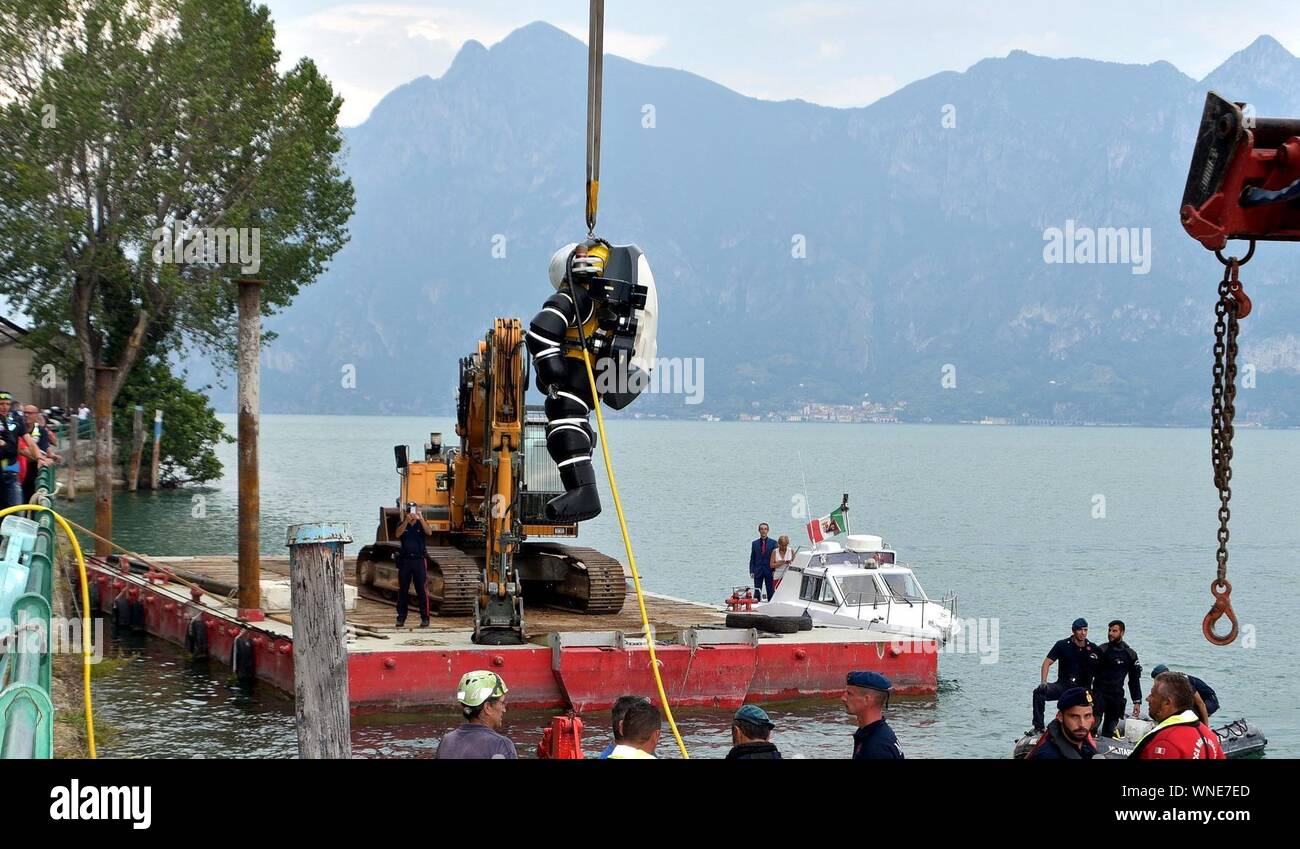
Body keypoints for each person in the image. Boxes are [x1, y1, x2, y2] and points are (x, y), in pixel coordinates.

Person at [524, 240, 658, 523]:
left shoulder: (574, 299)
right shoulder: (595, 308)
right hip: (587, 383)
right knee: (570, 430)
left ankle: (585, 492)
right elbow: (544, 334)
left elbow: (539, 333)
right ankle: (584, 491)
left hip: (574, 382)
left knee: (564, 428)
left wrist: (551, 372)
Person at [1130, 672, 1225, 760]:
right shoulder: (1209, 736)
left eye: (1153, 695)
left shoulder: (1165, 741)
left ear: (1167, 702)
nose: (1148, 698)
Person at [1032, 617, 1100, 733]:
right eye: (1080, 630)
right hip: (1063, 686)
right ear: (1073, 631)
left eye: (1085, 630)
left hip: (1083, 690)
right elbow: (1047, 663)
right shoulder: (1062, 645)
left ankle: (1090, 732)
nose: (1083, 633)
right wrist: (1043, 682)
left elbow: (1102, 670)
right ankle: (1038, 727)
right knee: (1039, 692)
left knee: (1098, 703)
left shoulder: (1093, 648)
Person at [434, 671, 517, 759]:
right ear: (488, 707)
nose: (504, 709)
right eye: (502, 703)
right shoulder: (501, 745)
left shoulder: (446, 741)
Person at [1091, 619, 1142, 738]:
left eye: (1114, 631)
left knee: (1110, 727)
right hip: (1099, 694)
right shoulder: (1101, 650)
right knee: (1094, 723)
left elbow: (1134, 679)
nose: (1110, 633)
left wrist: (1137, 701)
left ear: (1122, 633)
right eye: (1109, 630)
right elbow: (1088, 673)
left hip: (1116, 696)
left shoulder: (1130, 654)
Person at [843, 670, 904, 759]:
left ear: (867, 700)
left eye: (849, 694)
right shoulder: (877, 733)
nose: (843, 698)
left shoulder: (875, 747)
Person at [1026, 687, 1098, 759]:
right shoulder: (1047, 755)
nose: (1082, 724)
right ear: (1060, 716)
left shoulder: (1086, 749)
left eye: (1087, 716)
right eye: (1074, 717)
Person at [393, 502, 432, 628]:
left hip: (419, 561)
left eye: (414, 511)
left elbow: (429, 532)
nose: (412, 514)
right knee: (403, 590)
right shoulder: (402, 524)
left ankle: (425, 618)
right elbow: (398, 534)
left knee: (421, 590)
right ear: (406, 512)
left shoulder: (421, 523)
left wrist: (421, 518)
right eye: (410, 512)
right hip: (405, 561)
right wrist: (406, 521)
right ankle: (401, 618)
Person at [1150, 664, 1218, 725]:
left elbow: (1200, 704)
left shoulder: (1183, 682)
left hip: (1209, 700)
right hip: (1194, 701)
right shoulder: (1171, 682)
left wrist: (1206, 727)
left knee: (1189, 713)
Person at [0, 393, 34, 510]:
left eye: (7, 404)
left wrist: (40, 457)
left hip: (12, 471)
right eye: (1, 404)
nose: (4, 407)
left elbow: (25, 446)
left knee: (17, 510)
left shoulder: (15, 422)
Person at [749, 523, 776, 601]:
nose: (763, 531)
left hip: (769, 571)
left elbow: (775, 558)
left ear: (768, 530)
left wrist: (774, 570)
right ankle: (756, 607)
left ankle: (771, 606)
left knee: (770, 591)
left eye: (765, 529)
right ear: (759, 531)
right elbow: (752, 558)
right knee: (757, 591)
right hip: (758, 571)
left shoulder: (773, 543)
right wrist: (751, 571)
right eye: (762, 529)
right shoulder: (754, 543)